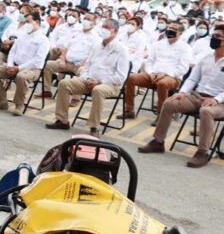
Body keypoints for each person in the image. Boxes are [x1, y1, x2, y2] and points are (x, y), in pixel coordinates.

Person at [138, 25, 224, 168]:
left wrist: (216, 99)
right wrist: (182, 92)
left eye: (218, 37)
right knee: (169, 103)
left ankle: (202, 152)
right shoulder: (206, 58)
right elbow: (192, 79)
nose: (213, 39)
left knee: (206, 111)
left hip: (219, 102)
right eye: (212, 36)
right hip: (198, 96)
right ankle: (158, 142)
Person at [45, 19, 129, 137]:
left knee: (98, 90)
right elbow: (86, 66)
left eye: (107, 27)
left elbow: (120, 77)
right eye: (103, 26)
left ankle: (94, 127)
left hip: (109, 85)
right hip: (89, 81)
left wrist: (99, 81)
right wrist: (87, 78)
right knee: (64, 84)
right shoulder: (97, 46)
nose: (103, 29)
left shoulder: (121, 49)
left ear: (115, 31)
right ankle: (62, 120)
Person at [120, 21, 192, 122]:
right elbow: (149, 62)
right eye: (169, 28)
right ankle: (129, 110)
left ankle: (161, 116)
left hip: (172, 77)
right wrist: (152, 72)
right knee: (131, 78)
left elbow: (183, 68)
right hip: (153, 74)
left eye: (174, 30)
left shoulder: (186, 48)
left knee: (162, 83)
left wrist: (165, 74)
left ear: (180, 33)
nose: (170, 31)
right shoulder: (158, 44)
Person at [0, 12, 50, 116]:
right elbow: (12, 51)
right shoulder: (22, 36)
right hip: (14, 65)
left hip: (32, 69)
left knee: (21, 76)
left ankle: (19, 105)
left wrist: (18, 68)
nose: (26, 24)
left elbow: (38, 60)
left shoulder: (43, 40)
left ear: (37, 22)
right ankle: (1, 100)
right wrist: (10, 65)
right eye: (25, 22)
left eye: (28, 22)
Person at [39, 12, 100, 98]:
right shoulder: (76, 32)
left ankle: (76, 98)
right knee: (47, 65)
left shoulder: (96, 37)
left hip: (81, 65)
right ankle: (47, 91)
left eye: (88, 19)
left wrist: (82, 63)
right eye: (85, 18)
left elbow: (93, 55)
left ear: (94, 23)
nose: (86, 21)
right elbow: (65, 47)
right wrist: (62, 60)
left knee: (83, 75)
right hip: (67, 62)